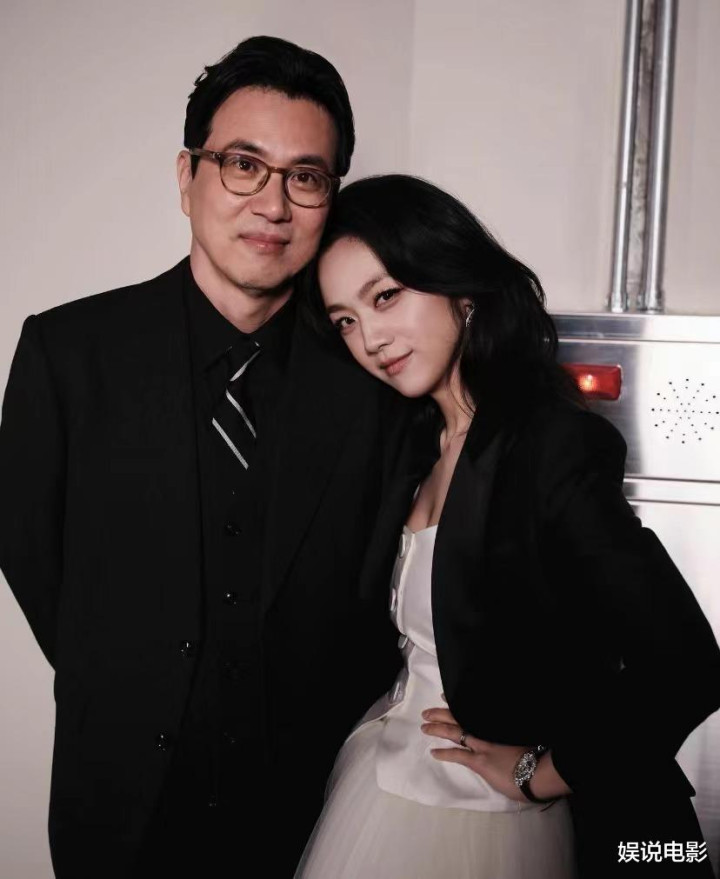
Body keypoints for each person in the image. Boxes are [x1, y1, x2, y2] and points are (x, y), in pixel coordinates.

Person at [0, 38, 408, 879]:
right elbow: (32, 553)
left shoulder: (374, 379)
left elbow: (378, 604)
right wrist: (131, 669)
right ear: (187, 177)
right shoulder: (68, 354)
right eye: (243, 165)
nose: (273, 204)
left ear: (331, 200)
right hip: (118, 809)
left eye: (305, 177)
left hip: (319, 817)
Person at [295, 174, 720, 879]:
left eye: (386, 296)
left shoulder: (550, 445)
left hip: (519, 820)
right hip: (393, 778)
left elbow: (687, 663)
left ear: (461, 288)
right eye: (345, 320)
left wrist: (541, 772)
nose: (369, 338)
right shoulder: (410, 446)